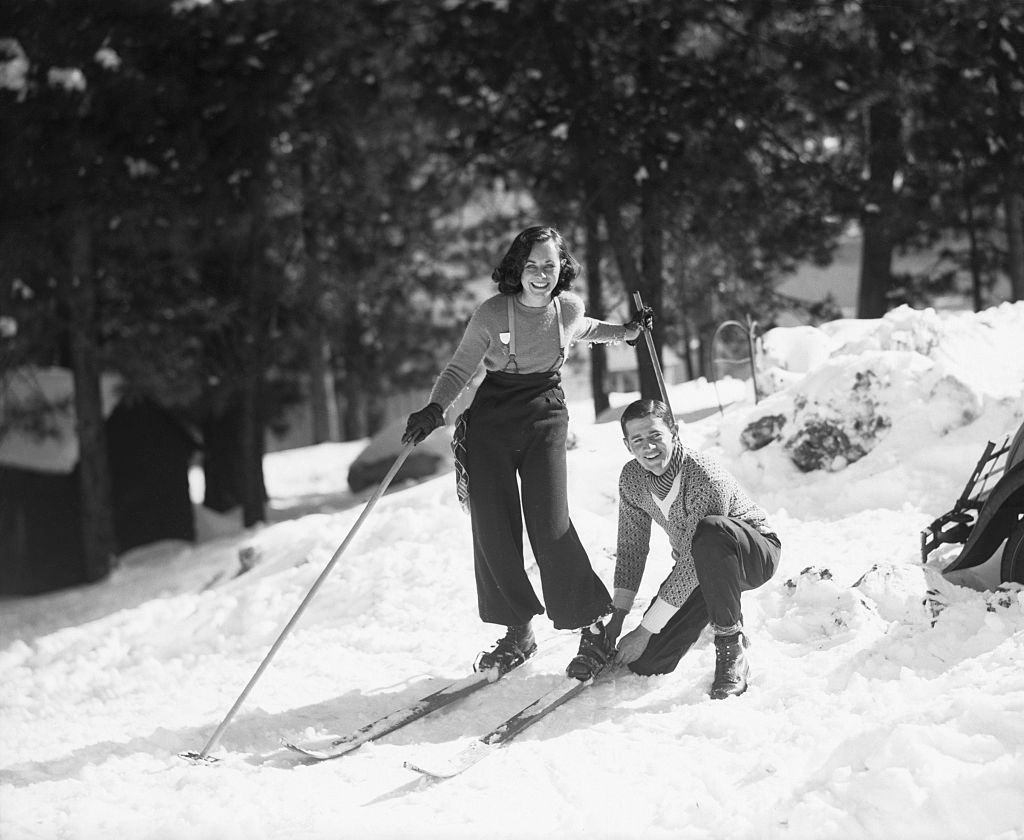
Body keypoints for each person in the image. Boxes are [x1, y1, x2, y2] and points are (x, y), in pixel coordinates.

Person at [402, 225, 647, 679]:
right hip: (492, 419)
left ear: (561, 269)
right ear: (518, 267)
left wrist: (626, 333)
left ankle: (592, 625)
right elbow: (461, 367)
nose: (540, 274)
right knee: (493, 526)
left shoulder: (566, 308)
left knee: (549, 522)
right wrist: (435, 407)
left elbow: (587, 328)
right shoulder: (493, 313)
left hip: (544, 416)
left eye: (549, 265)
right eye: (531, 265)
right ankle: (518, 630)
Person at [598, 398, 781, 698]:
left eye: (656, 435)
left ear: (674, 431)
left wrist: (644, 630)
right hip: (701, 566)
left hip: (753, 553)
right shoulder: (632, 479)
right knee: (648, 661)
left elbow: (693, 564)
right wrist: (617, 619)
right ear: (627, 445)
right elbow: (631, 548)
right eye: (638, 439)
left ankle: (731, 644)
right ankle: (720, 608)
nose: (648, 447)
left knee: (709, 532)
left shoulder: (702, 476)